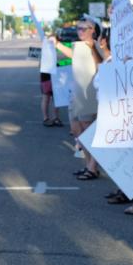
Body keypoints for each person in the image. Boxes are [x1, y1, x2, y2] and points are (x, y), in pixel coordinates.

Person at [55, 17, 104, 180]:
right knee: (77, 131)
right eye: (79, 28)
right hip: (76, 93)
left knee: (88, 131)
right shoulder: (78, 45)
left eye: (84, 28)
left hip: (89, 94)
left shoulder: (97, 45)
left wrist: (93, 49)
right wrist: (56, 44)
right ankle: (88, 164)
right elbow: (70, 55)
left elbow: (101, 65)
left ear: (93, 30)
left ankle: (93, 167)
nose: (80, 31)